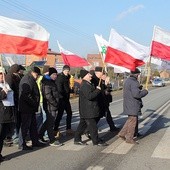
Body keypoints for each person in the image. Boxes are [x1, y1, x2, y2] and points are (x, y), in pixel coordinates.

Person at [74, 69, 108, 146]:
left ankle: (77, 139)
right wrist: (97, 90)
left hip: (87, 109)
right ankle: (96, 141)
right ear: (85, 76)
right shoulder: (85, 85)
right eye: (88, 74)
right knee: (93, 127)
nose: (90, 76)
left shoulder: (88, 83)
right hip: (88, 110)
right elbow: (90, 96)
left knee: (82, 125)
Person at [117, 68, 148, 144]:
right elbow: (136, 94)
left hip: (129, 104)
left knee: (130, 120)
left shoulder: (128, 80)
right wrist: (145, 91)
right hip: (133, 105)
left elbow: (132, 91)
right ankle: (129, 138)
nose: (139, 76)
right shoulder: (134, 82)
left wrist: (138, 88)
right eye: (138, 74)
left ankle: (122, 133)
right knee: (132, 121)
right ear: (137, 74)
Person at [19, 67, 46, 150]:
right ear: (33, 73)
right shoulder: (27, 80)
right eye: (37, 75)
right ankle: (22, 144)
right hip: (26, 108)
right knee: (25, 126)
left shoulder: (30, 79)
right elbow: (26, 95)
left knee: (33, 126)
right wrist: (34, 103)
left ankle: (35, 142)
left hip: (30, 108)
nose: (37, 77)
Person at [39, 67, 63, 146]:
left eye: (56, 74)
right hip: (50, 106)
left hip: (52, 105)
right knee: (50, 123)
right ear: (50, 74)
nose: (55, 76)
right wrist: (55, 103)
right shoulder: (47, 82)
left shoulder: (51, 82)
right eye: (54, 74)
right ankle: (52, 140)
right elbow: (48, 96)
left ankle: (39, 135)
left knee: (48, 122)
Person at [91, 67, 119, 132]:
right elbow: (97, 91)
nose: (104, 75)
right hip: (98, 101)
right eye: (103, 73)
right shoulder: (94, 80)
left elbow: (108, 89)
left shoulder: (102, 80)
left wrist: (107, 84)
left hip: (104, 101)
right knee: (98, 116)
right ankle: (89, 129)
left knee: (108, 115)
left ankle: (112, 127)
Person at [0, 67, 15, 162]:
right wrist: (3, 93)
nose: (2, 77)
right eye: (0, 75)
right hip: (0, 114)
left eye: (3, 75)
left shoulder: (6, 85)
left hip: (7, 114)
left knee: (2, 137)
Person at [54, 65, 73, 136]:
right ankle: (55, 129)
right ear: (63, 70)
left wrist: (70, 90)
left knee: (69, 113)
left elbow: (66, 86)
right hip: (62, 99)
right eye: (66, 71)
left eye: (68, 71)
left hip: (66, 99)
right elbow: (59, 89)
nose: (67, 73)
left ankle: (68, 128)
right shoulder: (60, 78)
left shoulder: (67, 77)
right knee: (60, 114)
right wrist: (66, 92)